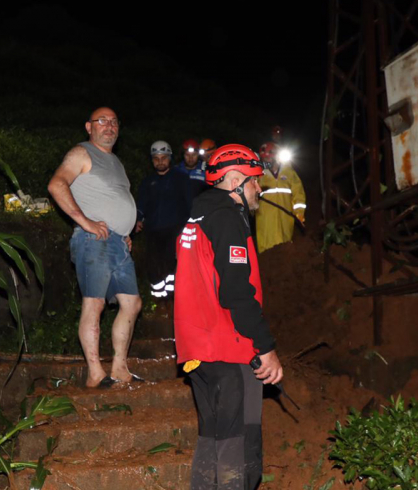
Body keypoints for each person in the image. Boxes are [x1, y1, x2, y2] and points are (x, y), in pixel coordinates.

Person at [174, 144, 283, 489]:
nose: (259, 189)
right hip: (227, 348)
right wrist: (265, 347)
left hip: (199, 351)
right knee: (240, 445)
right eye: (254, 182)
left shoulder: (198, 217)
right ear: (235, 180)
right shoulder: (227, 219)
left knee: (213, 438)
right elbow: (236, 293)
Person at [47, 107, 142, 388]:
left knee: (132, 303)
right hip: (95, 241)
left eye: (114, 121)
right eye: (102, 121)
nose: (109, 126)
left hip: (118, 244)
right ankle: (95, 373)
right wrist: (85, 222)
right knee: (95, 303)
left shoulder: (116, 162)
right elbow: (56, 185)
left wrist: (124, 231)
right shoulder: (82, 153)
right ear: (89, 127)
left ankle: (120, 368)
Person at [135, 141, 193, 304]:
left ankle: (173, 299)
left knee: (170, 264)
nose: (160, 161)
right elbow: (142, 203)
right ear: (152, 160)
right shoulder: (148, 182)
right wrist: (138, 218)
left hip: (175, 228)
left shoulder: (181, 178)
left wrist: (192, 223)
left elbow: (190, 203)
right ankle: (158, 299)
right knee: (153, 265)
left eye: (163, 158)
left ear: (170, 158)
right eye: (156, 158)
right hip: (153, 229)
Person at [255, 142, 306, 253]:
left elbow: (298, 193)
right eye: (264, 160)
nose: (266, 162)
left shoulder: (289, 172)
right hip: (265, 219)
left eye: (268, 159)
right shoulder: (258, 174)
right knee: (266, 250)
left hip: (286, 218)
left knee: (285, 248)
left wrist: (300, 213)